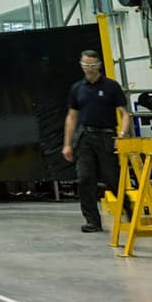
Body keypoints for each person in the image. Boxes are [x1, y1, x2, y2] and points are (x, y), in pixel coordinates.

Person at [62, 48, 131, 232]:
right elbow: (71, 117)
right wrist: (67, 144)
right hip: (85, 137)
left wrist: (122, 135)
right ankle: (92, 221)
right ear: (81, 65)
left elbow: (125, 114)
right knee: (85, 178)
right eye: (86, 64)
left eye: (92, 64)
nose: (89, 68)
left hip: (107, 136)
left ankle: (130, 211)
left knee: (113, 179)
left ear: (99, 65)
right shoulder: (77, 88)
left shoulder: (111, 86)